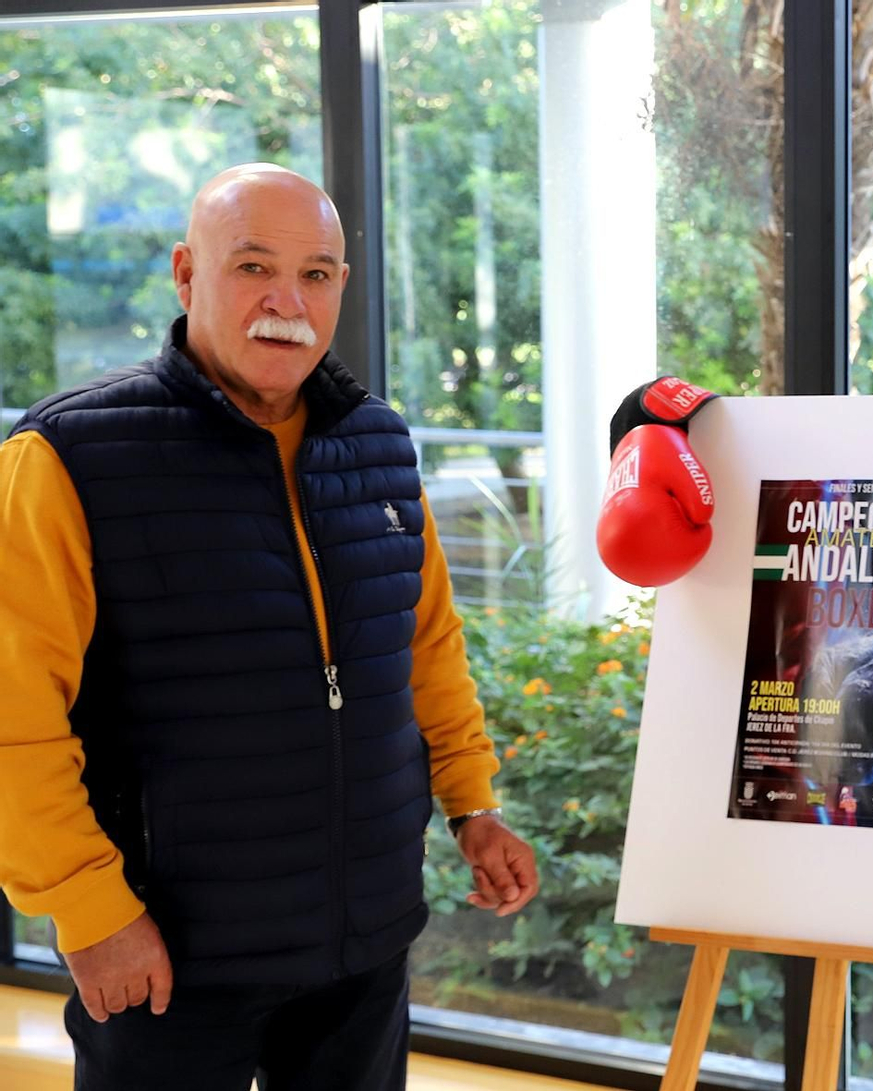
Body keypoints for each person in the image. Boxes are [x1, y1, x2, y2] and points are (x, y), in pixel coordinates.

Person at [0, 163, 539, 1090]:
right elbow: (15, 715)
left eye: (316, 274)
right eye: (254, 266)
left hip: (362, 946)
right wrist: (88, 909)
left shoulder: (379, 445)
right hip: (163, 955)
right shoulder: (66, 456)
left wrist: (473, 804)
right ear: (186, 273)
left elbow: (424, 648)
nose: (288, 302)